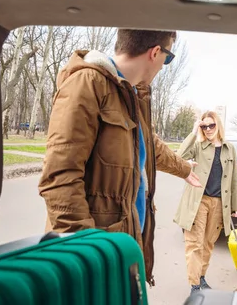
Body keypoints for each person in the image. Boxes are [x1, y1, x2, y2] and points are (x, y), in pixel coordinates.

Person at [38, 29, 202, 287]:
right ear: (155, 52)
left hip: (124, 246)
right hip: (98, 255)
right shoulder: (88, 83)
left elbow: (149, 145)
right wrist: (87, 255)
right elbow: (59, 178)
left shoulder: (130, 94)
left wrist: (183, 168)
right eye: (167, 59)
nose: (164, 66)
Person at [174, 111, 237, 294]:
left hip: (219, 203)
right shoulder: (198, 146)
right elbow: (179, 156)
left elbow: (234, 178)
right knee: (194, 243)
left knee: (208, 243)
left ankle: (201, 277)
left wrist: (236, 205)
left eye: (211, 125)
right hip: (199, 201)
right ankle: (195, 285)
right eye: (204, 126)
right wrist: (194, 131)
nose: (208, 129)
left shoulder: (230, 149)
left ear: (218, 125)